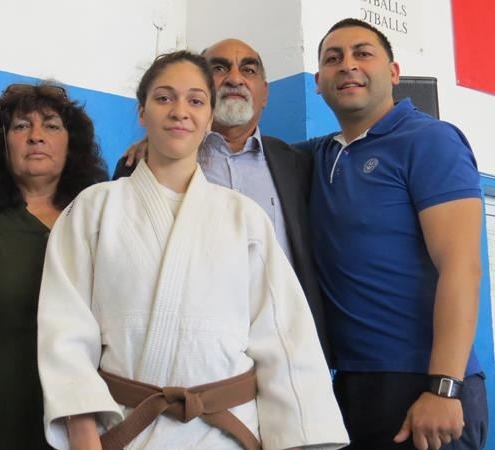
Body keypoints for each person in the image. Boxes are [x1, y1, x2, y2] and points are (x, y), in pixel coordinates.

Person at [37, 50, 348, 450]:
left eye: (196, 100)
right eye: (164, 98)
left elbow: (285, 339)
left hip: (228, 434)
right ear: (142, 112)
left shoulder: (245, 217)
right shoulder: (93, 209)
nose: (179, 111)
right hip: (122, 432)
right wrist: (82, 434)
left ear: (209, 117)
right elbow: (65, 328)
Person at [300, 17, 488, 450]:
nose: (348, 65)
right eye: (333, 58)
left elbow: (462, 266)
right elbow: (249, 153)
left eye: (363, 53)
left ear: (394, 72)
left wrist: (444, 387)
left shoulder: (430, 140)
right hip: (352, 385)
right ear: (319, 82)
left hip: (425, 386)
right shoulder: (319, 155)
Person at [115, 39, 328, 358]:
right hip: (190, 353)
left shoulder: (298, 164)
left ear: (265, 93)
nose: (235, 78)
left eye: (248, 70)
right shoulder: (144, 164)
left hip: (284, 348)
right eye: (219, 68)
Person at [0, 82, 108, 450]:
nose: (36, 136)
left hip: (80, 431)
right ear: (1, 142)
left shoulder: (99, 219)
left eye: (51, 125)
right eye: (21, 126)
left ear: (72, 143)